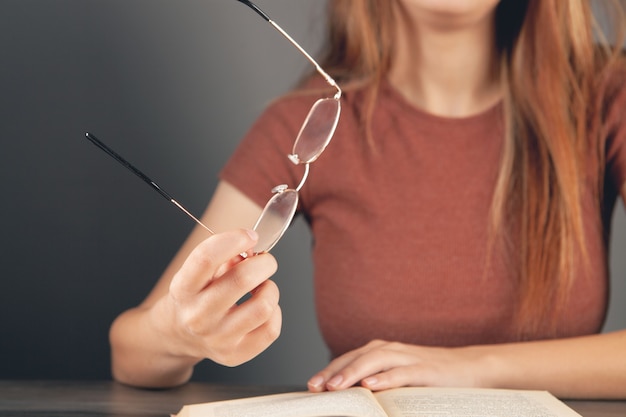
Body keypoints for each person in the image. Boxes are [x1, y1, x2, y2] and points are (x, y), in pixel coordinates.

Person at [108, 0, 626, 398]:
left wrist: (469, 367)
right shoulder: (307, 127)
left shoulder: (605, 96)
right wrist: (181, 333)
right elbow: (132, 352)